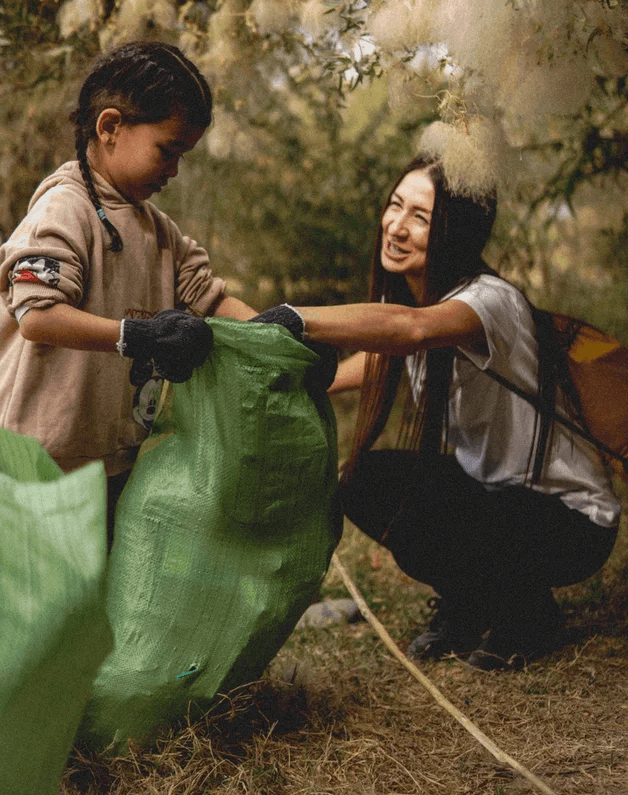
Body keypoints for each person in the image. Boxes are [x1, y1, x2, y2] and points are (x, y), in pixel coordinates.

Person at [253, 155, 620, 670]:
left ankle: (527, 613)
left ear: (455, 233)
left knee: (476, 514)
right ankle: (471, 604)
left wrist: (296, 319)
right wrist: (275, 373)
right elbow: (372, 364)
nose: (397, 227)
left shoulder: (488, 302)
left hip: (569, 523)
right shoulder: (427, 304)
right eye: (395, 206)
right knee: (365, 481)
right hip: (496, 500)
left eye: (420, 218)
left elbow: (410, 329)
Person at [0, 41, 257, 546]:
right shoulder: (63, 209)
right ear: (111, 127)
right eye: (168, 150)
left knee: (91, 599)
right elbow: (39, 316)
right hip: (35, 459)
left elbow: (210, 298)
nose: (174, 170)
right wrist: (138, 335)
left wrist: (283, 335)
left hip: (111, 457)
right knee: (36, 604)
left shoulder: (158, 230)